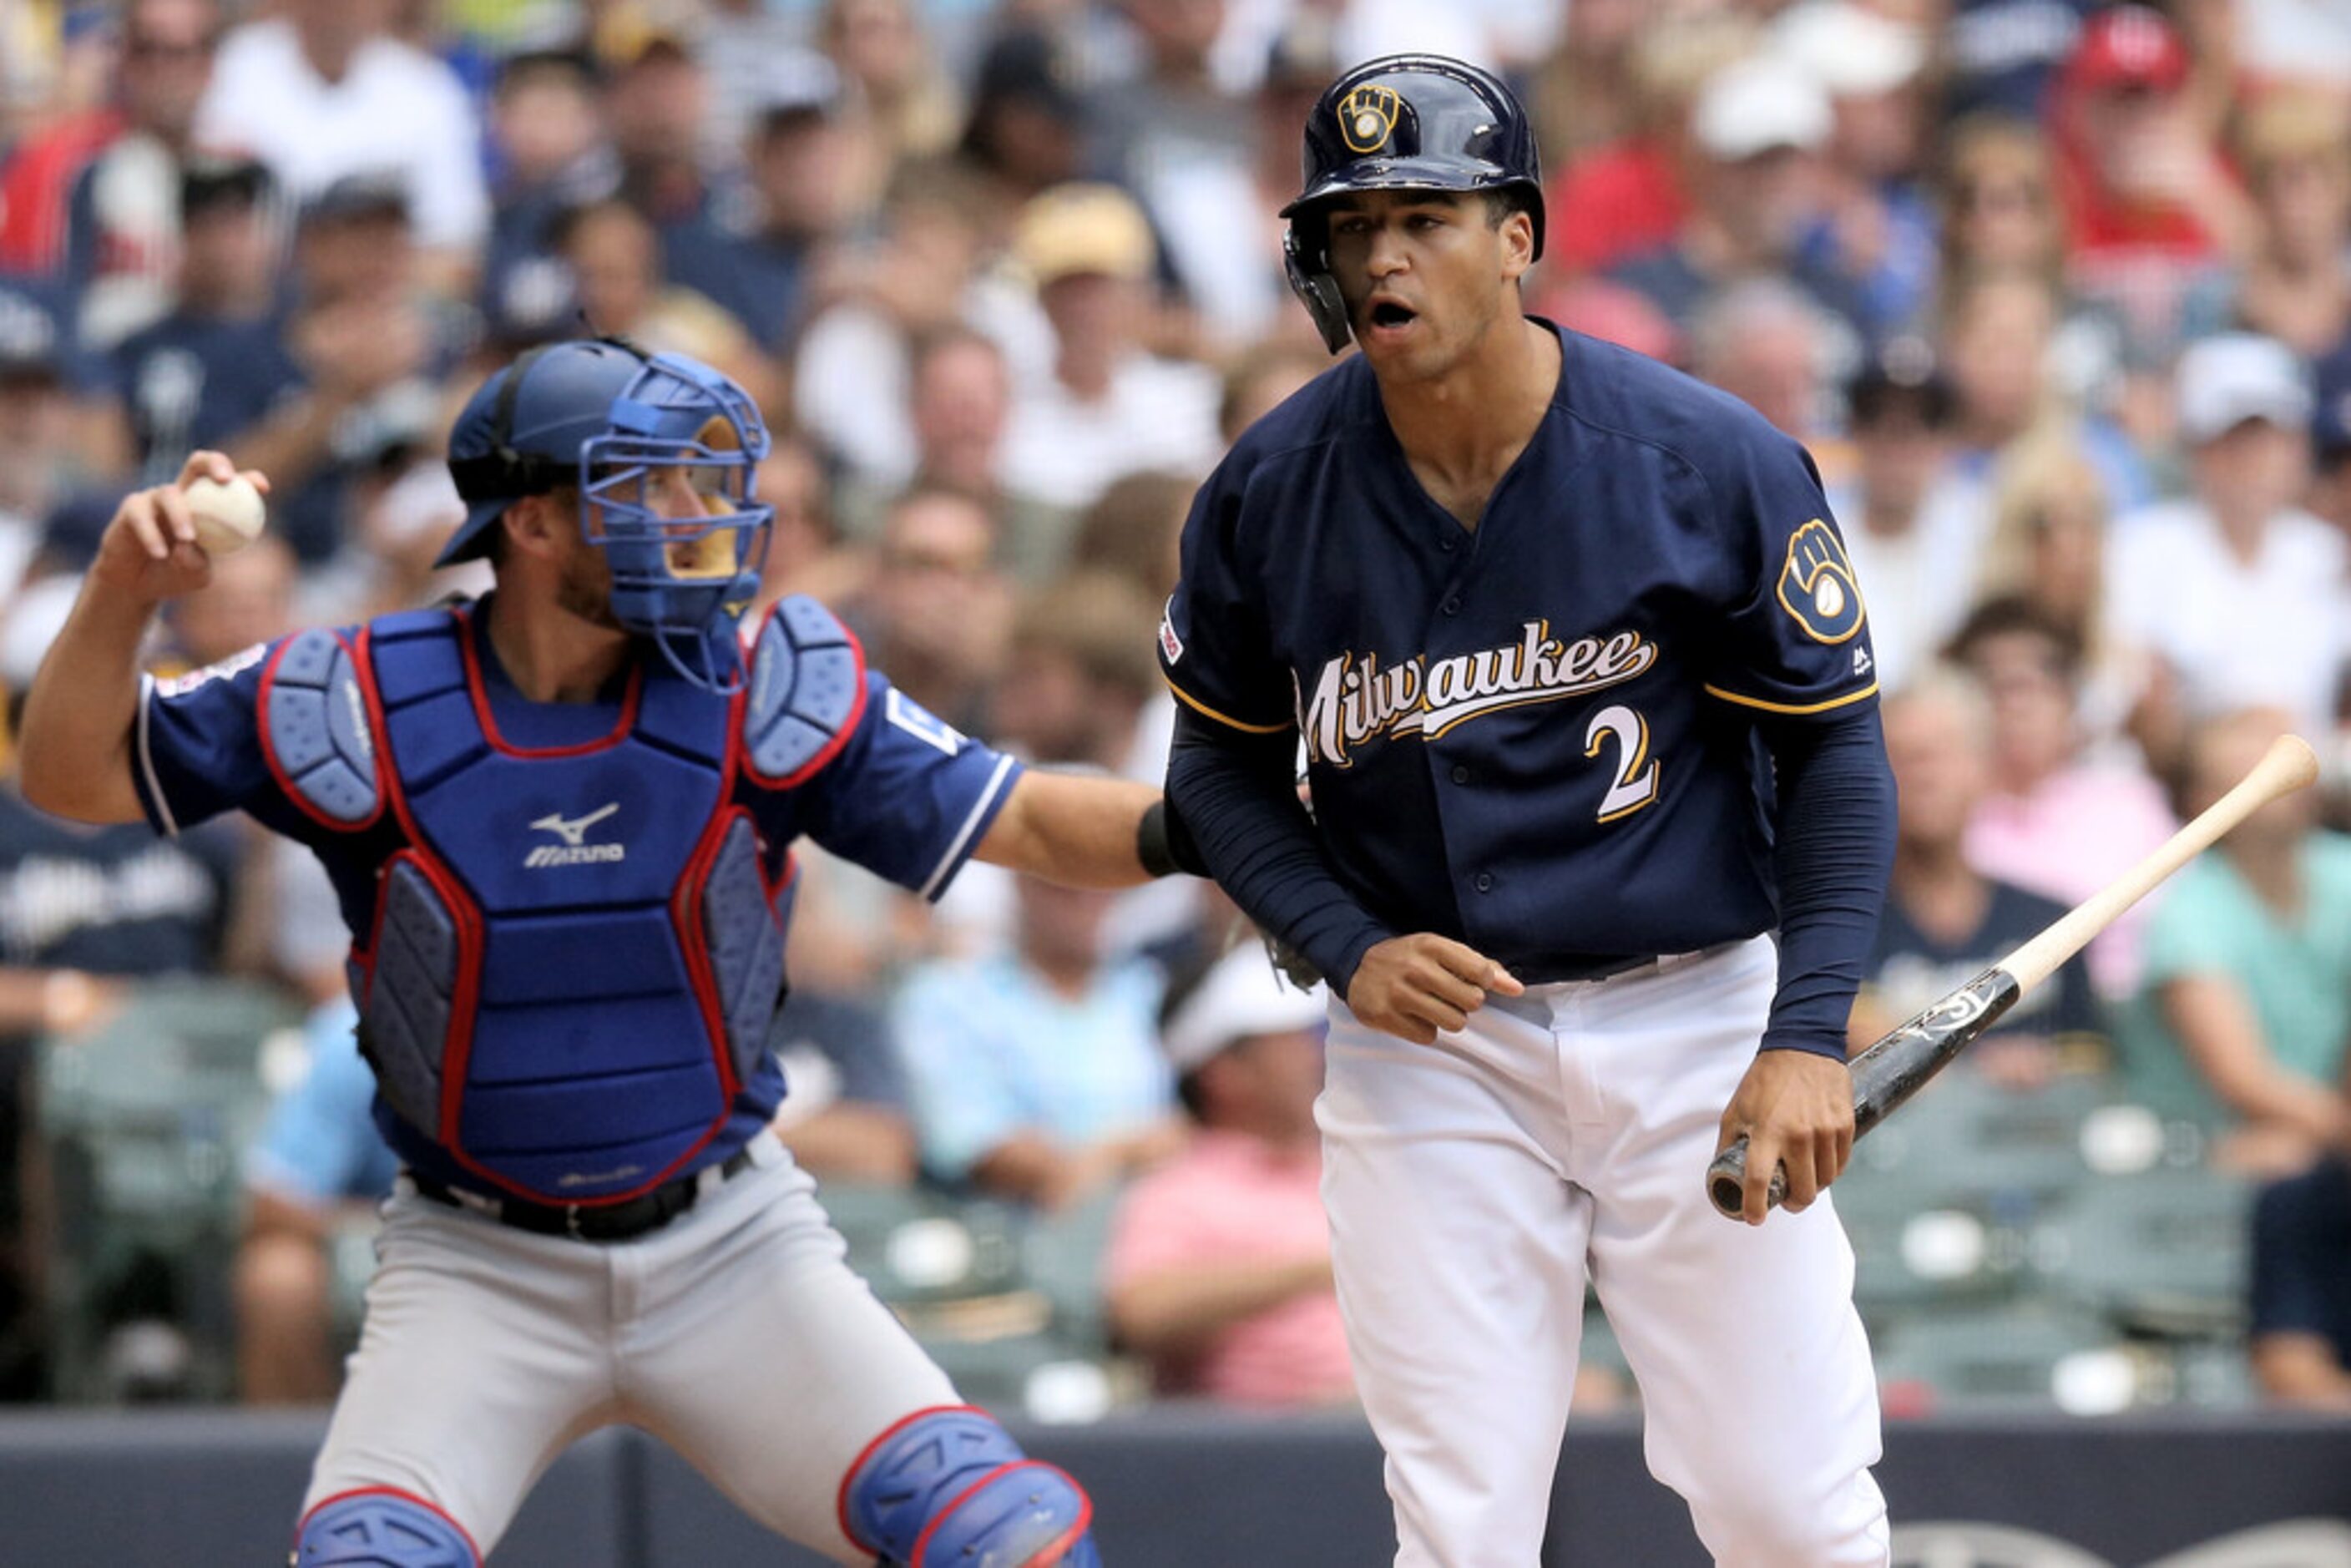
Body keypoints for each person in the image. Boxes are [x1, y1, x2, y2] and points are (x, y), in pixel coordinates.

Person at [16, 336, 1193, 1565]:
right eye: (652, 485)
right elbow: (70, 774)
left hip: (731, 1243)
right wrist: (121, 587)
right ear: (531, 522)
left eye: (699, 480)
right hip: (477, 1259)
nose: (697, 515)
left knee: (1015, 1545)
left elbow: (1039, 816)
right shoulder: (359, 693)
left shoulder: (758, 687)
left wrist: (1235, 824)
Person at [1159, 55, 1897, 1567]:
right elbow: (1214, 772)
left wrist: (1807, 1030)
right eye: (1351, 226)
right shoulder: (1266, 490)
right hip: (1435, 1048)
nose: (1380, 257)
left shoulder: (1707, 459)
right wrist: (1340, 940)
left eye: (1423, 216)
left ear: (1518, 233)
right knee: (1460, 1521)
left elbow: (1837, 755)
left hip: (1695, 1010)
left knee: (1788, 1508)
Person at [1103, 943, 1352, 1406]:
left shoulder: (1349, 1160)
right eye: (1291, 1039)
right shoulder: (1177, 1189)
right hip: (1280, 1447)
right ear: (1224, 1073)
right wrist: (1322, 1268)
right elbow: (1141, 1313)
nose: (1314, 1052)